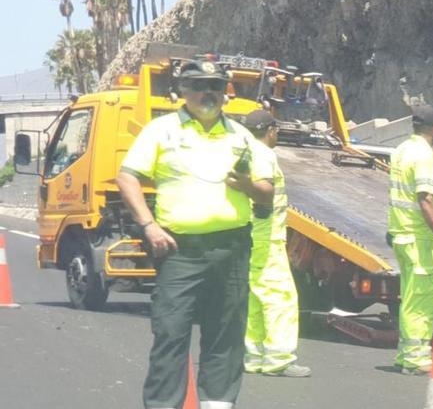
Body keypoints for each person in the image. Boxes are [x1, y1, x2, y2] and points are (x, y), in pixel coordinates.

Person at [117, 60, 274, 409]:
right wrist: (148, 225)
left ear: (225, 93)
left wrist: (248, 185)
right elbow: (127, 177)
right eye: (200, 85)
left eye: (216, 86)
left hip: (232, 248)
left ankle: (218, 404)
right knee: (171, 332)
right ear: (182, 92)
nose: (209, 93)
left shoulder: (241, 135)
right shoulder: (161, 131)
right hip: (179, 250)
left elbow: (267, 191)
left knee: (226, 334)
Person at [388, 104, 433, 375]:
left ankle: (406, 354)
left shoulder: (401, 151)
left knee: (409, 297)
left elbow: (399, 195)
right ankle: (417, 359)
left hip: (402, 235)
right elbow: (425, 198)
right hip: (420, 239)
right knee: (421, 299)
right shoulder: (424, 156)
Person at [241, 110, 311, 378]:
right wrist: (263, 209)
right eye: (277, 129)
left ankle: (256, 355)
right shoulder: (263, 154)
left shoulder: (245, 151)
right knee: (281, 296)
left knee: (258, 296)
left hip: (252, 236)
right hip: (266, 236)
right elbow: (263, 188)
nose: (277, 133)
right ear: (270, 130)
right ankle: (279, 359)